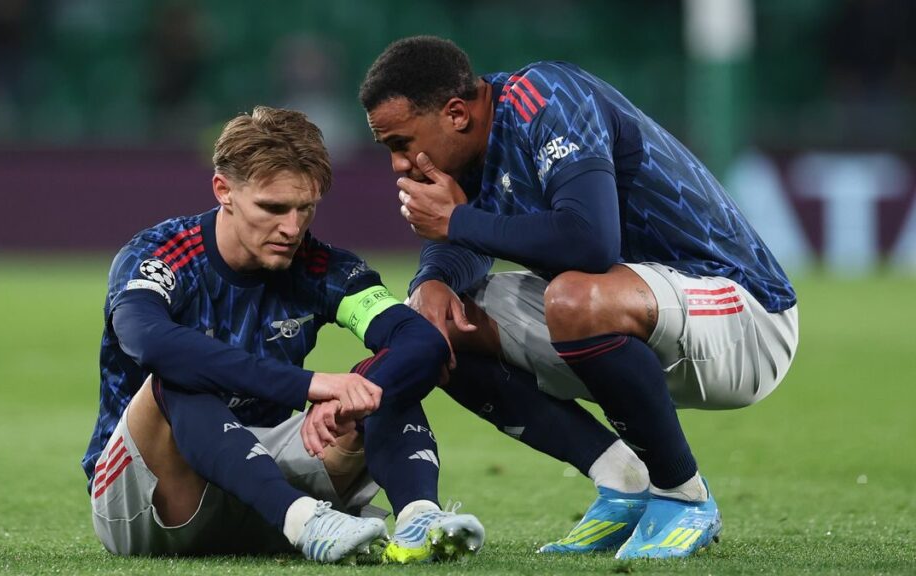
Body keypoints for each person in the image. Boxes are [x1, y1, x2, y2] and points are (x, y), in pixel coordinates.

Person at [359, 36, 799, 559]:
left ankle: (682, 494)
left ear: (456, 114)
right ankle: (623, 481)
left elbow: (589, 241)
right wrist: (430, 281)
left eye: (401, 143)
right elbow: (478, 242)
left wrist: (455, 220)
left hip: (743, 316)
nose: (398, 165)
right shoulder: (469, 150)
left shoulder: (547, 99)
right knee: (437, 324)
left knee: (573, 298)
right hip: (636, 314)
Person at [81, 106, 485, 564]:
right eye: (273, 208)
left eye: (305, 208)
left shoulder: (321, 267)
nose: (292, 229)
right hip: (152, 500)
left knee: (380, 383)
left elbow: (421, 342)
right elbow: (150, 341)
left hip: (263, 483)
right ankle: (305, 522)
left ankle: (418, 518)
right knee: (176, 377)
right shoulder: (161, 256)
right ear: (223, 190)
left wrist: (352, 394)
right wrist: (309, 385)